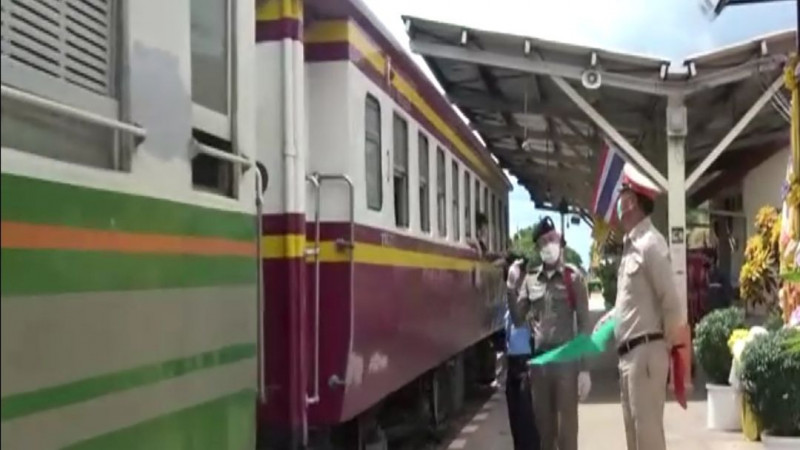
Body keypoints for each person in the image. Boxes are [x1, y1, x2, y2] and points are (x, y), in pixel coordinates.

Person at [594, 164, 687, 450]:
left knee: (648, 440)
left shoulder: (650, 244)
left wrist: (669, 352)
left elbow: (671, 303)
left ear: (631, 202)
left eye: (621, 195)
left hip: (645, 356)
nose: (618, 203)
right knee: (634, 440)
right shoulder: (631, 246)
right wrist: (608, 322)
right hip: (629, 359)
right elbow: (629, 303)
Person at [510, 217, 591, 450]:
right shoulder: (530, 280)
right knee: (544, 434)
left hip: (566, 362)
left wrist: (584, 369)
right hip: (540, 366)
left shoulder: (573, 278)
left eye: (552, 239)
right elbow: (517, 318)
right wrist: (510, 288)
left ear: (559, 241)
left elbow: (585, 324)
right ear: (538, 248)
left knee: (567, 434)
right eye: (544, 241)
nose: (549, 244)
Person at [503, 254, 541, 450]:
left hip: (527, 366)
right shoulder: (509, 307)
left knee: (529, 429)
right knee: (517, 428)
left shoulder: (531, 301)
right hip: (512, 369)